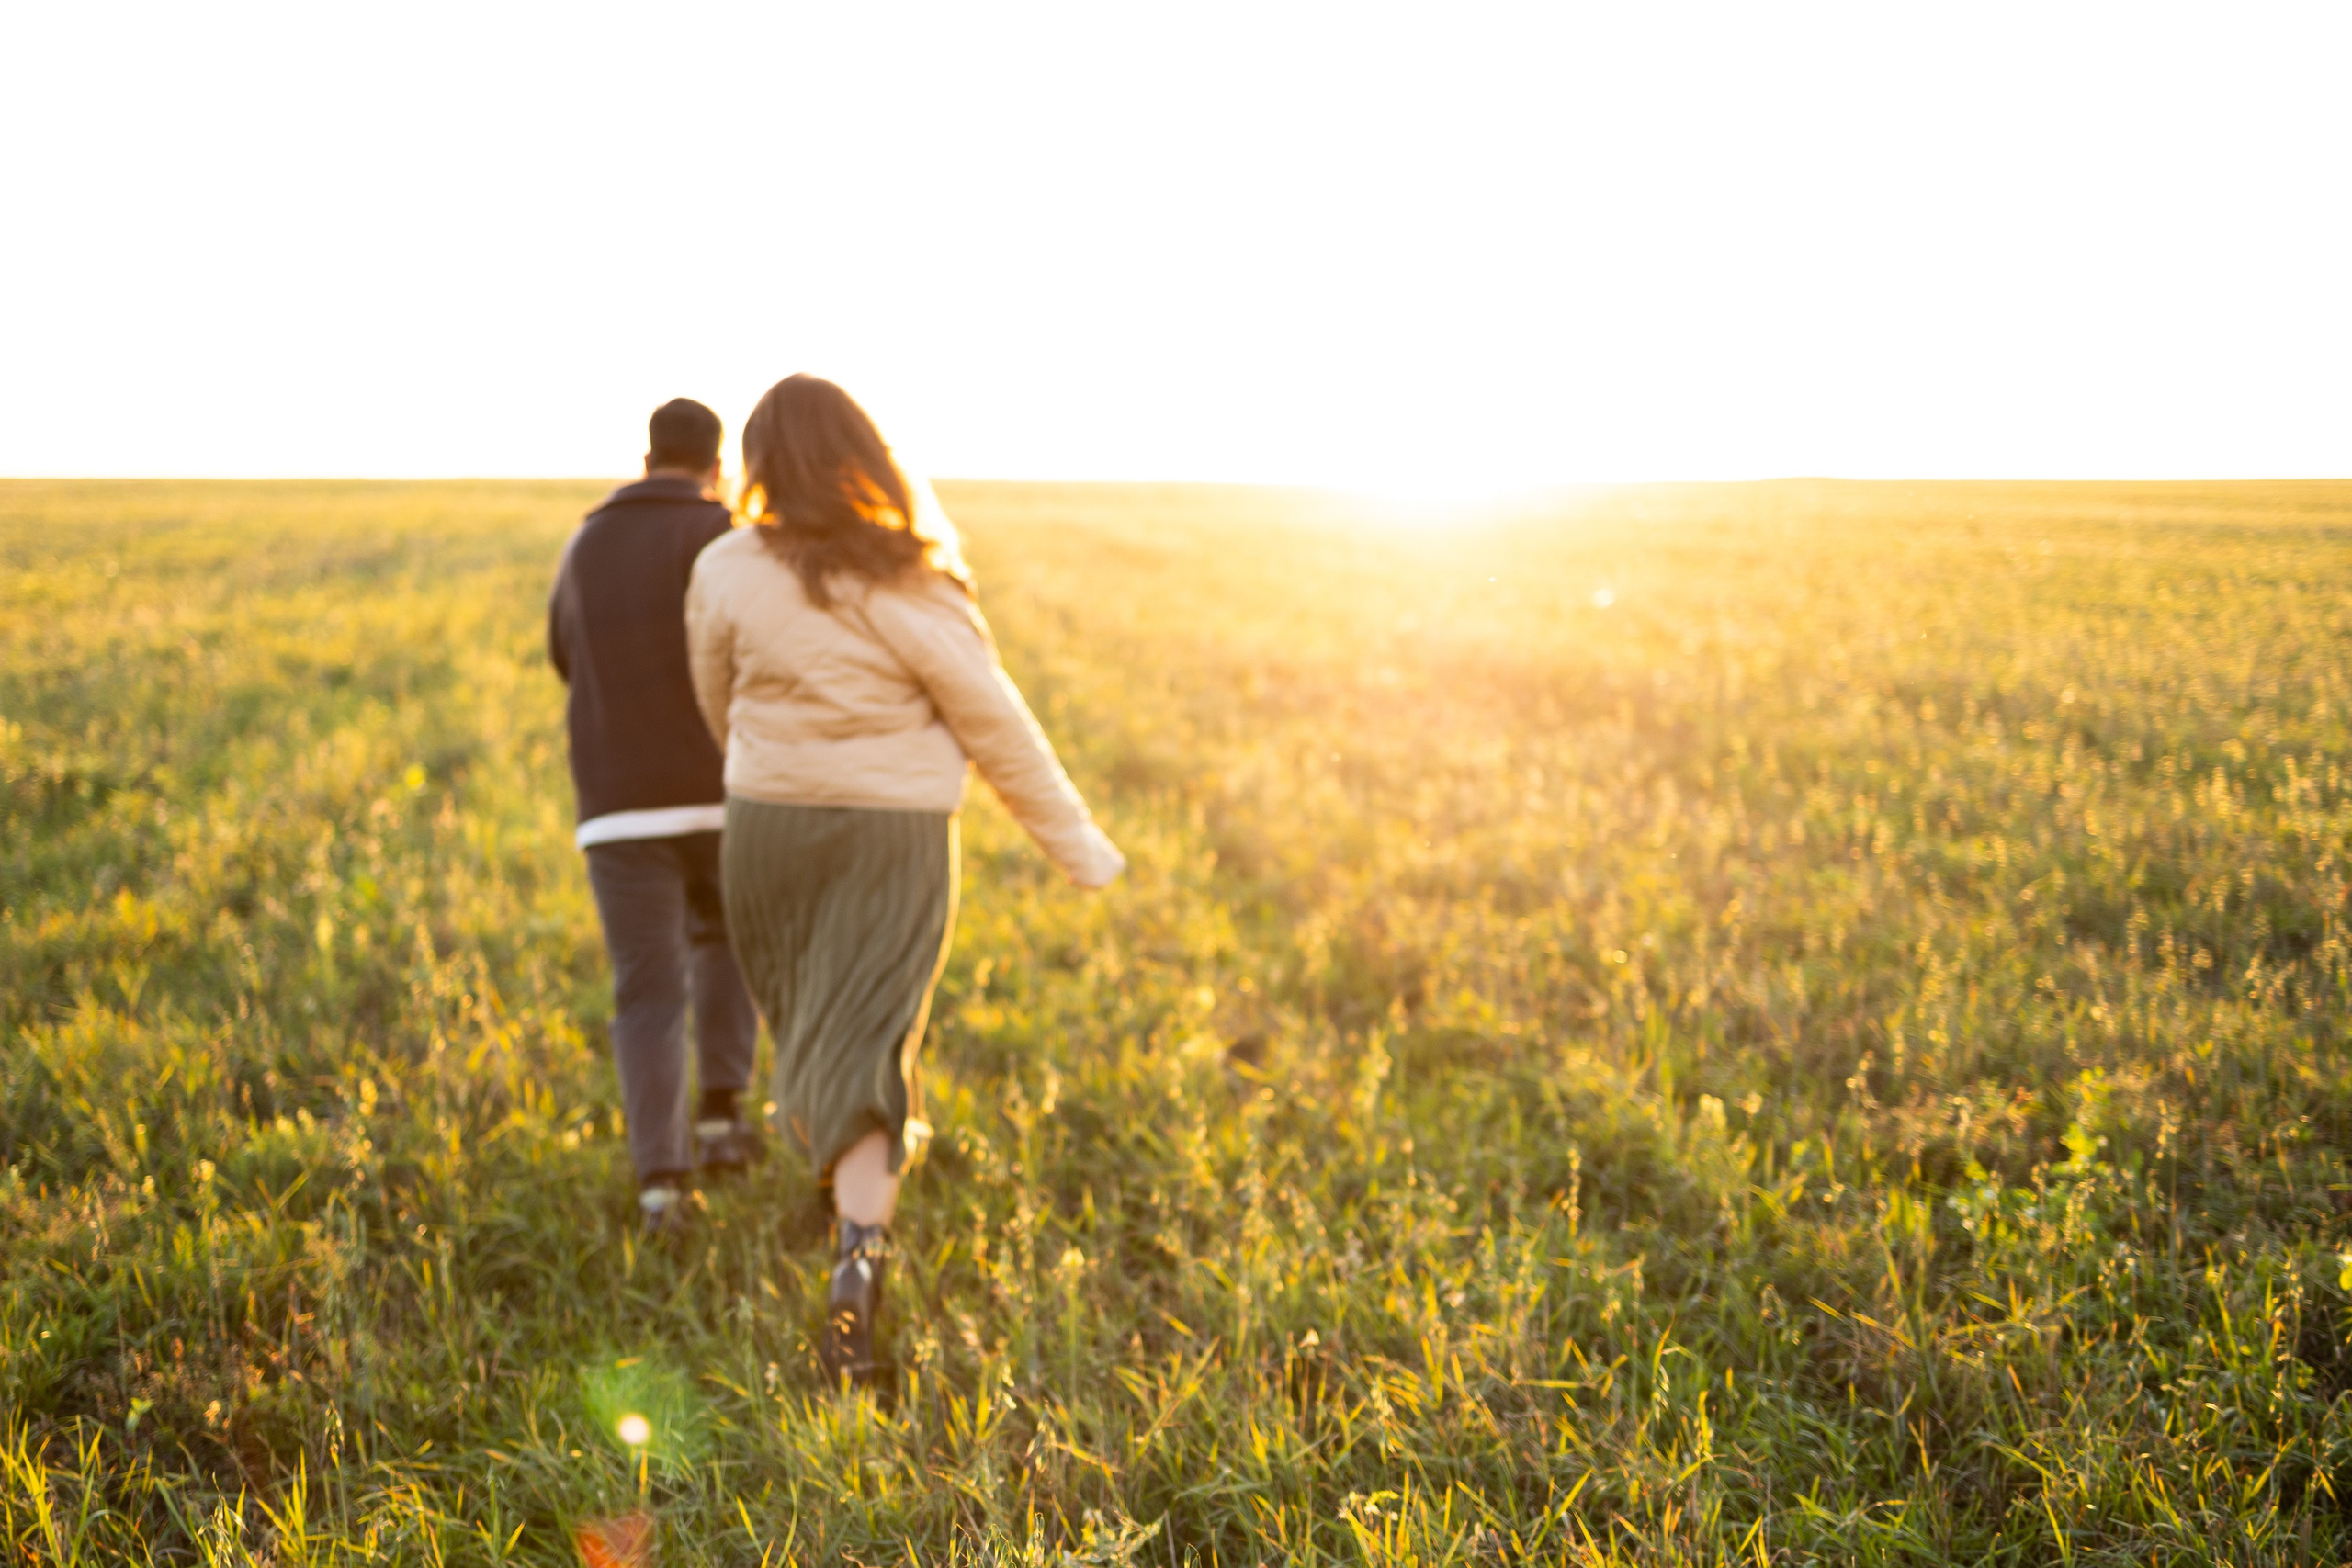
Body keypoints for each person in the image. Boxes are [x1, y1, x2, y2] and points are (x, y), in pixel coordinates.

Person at [684, 374, 1124, 1383]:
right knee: (871, 1035)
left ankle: (837, 1183)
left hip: (766, 825)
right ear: (862, 454)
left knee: (800, 1019)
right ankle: (856, 1265)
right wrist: (1079, 847)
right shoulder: (914, 577)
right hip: (896, 835)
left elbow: (715, 693)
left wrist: (765, 774)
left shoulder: (723, 565)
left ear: (757, 461)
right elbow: (993, 724)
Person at [549, 398, 763, 1237]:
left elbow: (562, 655)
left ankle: (661, 1186)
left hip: (616, 805)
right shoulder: (723, 536)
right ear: (718, 466)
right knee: (727, 944)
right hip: (724, 787)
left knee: (646, 991)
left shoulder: (585, 540)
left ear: (646, 459)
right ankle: (722, 1118)